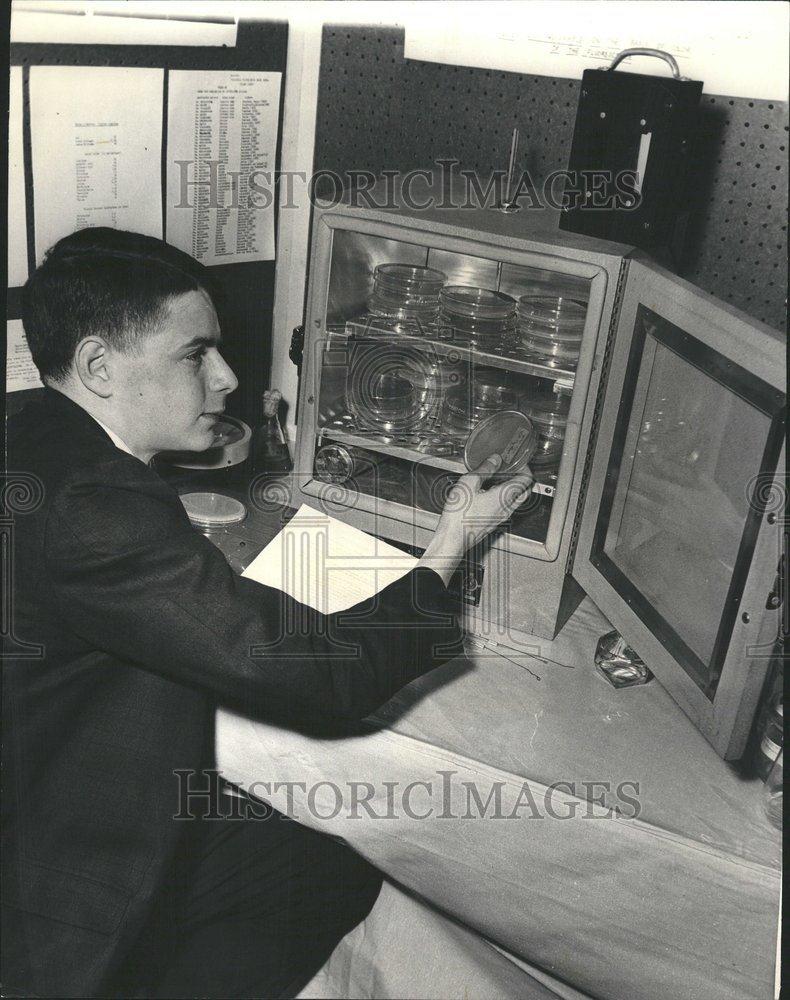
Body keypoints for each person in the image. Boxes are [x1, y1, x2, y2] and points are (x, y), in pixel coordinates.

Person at [2, 228, 533, 998]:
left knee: (311, 853)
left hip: (46, 778)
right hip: (52, 870)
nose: (225, 377)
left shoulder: (32, 437)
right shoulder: (96, 506)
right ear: (96, 366)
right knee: (330, 863)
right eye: (195, 354)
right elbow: (323, 678)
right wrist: (451, 544)